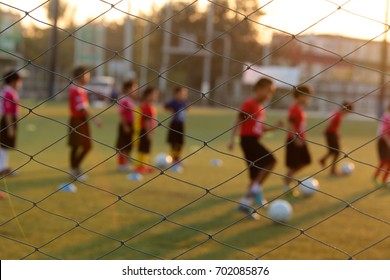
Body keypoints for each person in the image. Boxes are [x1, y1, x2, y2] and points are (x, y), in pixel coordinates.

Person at [228, 77, 282, 219]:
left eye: (271, 93)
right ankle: (256, 189)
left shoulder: (260, 108)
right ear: (258, 89)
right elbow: (238, 120)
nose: (269, 95)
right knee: (270, 160)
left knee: (255, 174)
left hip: (253, 140)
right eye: (268, 91)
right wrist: (232, 139)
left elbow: (259, 128)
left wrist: (273, 128)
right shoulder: (250, 104)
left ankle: (245, 203)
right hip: (248, 141)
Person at [68, 66, 102, 181]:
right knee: (80, 145)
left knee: (82, 146)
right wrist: (95, 120)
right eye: (87, 75)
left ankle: (75, 169)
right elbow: (84, 108)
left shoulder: (81, 89)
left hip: (81, 120)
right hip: (77, 120)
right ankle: (74, 170)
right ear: (81, 76)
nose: (88, 77)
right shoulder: (75, 89)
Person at [284, 85, 313, 195]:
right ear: (300, 96)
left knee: (306, 161)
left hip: (301, 140)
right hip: (293, 140)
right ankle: (287, 185)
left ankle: (288, 177)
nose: (308, 98)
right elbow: (290, 124)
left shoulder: (300, 109)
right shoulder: (294, 108)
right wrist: (296, 138)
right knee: (293, 164)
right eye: (306, 96)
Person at [319, 101, 354, 175]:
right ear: (345, 109)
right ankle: (333, 170)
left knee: (332, 151)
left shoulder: (338, 113)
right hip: (330, 134)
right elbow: (331, 123)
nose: (348, 113)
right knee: (337, 152)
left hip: (332, 133)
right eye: (348, 112)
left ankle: (323, 160)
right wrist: (326, 131)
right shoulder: (337, 114)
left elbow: (335, 125)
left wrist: (337, 133)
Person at [0, 69, 24, 177]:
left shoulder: (9, 91)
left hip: (8, 120)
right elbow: (7, 112)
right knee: (3, 145)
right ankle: (2, 168)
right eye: (19, 81)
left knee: (4, 146)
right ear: (13, 80)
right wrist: (10, 127)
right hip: (6, 121)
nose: (20, 83)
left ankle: (3, 167)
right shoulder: (8, 92)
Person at [134, 86, 159, 174]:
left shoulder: (150, 106)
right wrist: (149, 133)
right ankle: (141, 166)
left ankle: (144, 165)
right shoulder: (146, 106)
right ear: (148, 95)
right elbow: (147, 120)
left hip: (147, 131)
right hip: (145, 131)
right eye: (154, 94)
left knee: (145, 149)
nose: (156, 96)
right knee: (143, 149)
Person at [116, 80, 139, 172]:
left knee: (129, 144)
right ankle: (122, 164)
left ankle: (126, 162)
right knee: (123, 145)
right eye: (134, 88)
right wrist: (125, 125)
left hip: (131, 125)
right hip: (125, 125)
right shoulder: (124, 99)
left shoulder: (130, 100)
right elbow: (122, 114)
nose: (136, 90)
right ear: (127, 89)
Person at [164, 86, 188, 171]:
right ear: (177, 93)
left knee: (180, 142)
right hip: (174, 124)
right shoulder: (173, 101)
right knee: (174, 142)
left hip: (181, 124)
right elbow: (166, 106)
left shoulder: (184, 102)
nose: (184, 95)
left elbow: (187, 109)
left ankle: (178, 158)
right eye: (182, 93)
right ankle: (173, 159)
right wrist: (172, 111)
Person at [373, 103, 390, 187]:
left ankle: (384, 180)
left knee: (388, 161)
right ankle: (377, 177)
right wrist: (388, 143)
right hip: (383, 141)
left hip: (387, 141)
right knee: (385, 160)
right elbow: (384, 132)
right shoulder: (387, 117)